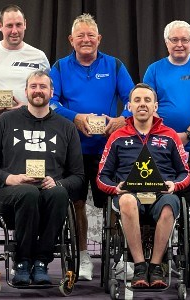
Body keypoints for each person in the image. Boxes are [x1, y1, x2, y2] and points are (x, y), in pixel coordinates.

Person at [49, 13, 135, 281]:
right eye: (80, 35)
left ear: (98, 38)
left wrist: (122, 118)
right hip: (72, 151)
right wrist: (75, 117)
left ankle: (118, 256)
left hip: (109, 151)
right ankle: (83, 255)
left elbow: (133, 100)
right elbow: (51, 102)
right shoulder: (60, 67)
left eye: (90, 35)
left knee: (113, 203)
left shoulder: (116, 65)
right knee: (76, 204)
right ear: (71, 40)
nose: (86, 40)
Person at [0, 70, 84, 286]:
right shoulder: (6, 121)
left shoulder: (66, 127)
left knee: (58, 193)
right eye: (34, 86)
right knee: (27, 192)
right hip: (11, 197)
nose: (38, 91)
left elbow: (78, 176)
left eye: (43, 87)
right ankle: (22, 262)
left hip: (50, 198)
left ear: (52, 92)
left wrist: (58, 183)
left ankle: (40, 262)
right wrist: (12, 178)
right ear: (26, 91)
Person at [97, 83, 190, 288]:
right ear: (129, 106)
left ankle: (156, 266)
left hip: (161, 195)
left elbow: (185, 173)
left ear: (155, 106)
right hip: (130, 195)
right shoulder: (117, 137)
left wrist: (174, 185)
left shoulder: (170, 135)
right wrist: (116, 188)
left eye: (147, 100)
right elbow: (102, 177)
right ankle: (139, 266)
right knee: (128, 200)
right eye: (137, 100)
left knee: (169, 205)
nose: (142, 104)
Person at [143, 20, 190, 279]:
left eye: (184, 40)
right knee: (157, 203)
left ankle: (186, 258)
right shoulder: (154, 70)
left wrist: (187, 135)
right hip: (159, 151)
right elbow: (147, 106)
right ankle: (158, 259)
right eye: (174, 40)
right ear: (166, 43)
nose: (179, 44)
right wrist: (167, 137)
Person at [0, 4, 50, 198]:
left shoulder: (38, 56)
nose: (14, 31)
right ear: (0, 26)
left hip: (30, 139)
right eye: (9, 25)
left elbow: (48, 92)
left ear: (25, 25)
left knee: (31, 195)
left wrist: (26, 108)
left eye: (18, 25)